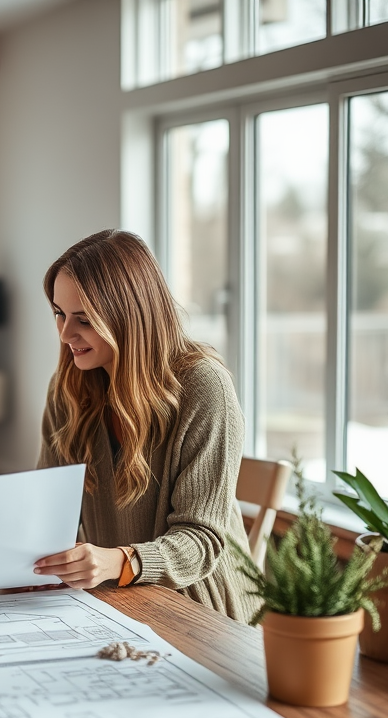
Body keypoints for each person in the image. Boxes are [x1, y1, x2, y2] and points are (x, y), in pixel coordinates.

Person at [32, 229, 255, 622]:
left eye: (83, 319)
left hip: (202, 611)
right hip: (115, 604)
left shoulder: (204, 387)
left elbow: (200, 541)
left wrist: (117, 562)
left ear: (127, 316)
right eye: (59, 314)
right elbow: (46, 508)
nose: (65, 334)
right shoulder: (68, 386)